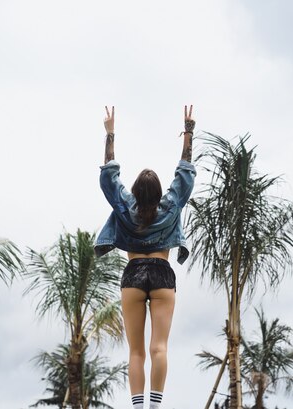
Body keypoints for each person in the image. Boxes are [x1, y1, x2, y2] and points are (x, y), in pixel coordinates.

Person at [94, 105, 196, 409]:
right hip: (163, 273)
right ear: (159, 192)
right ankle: (155, 406)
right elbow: (185, 172)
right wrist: (188, 131)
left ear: (137, 191)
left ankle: (138, 407)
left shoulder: (126, 207)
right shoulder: (171, 205)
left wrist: (110, 134)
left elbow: (109, 176)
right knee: (159, 348)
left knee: (136, 351)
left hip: (134, 273)